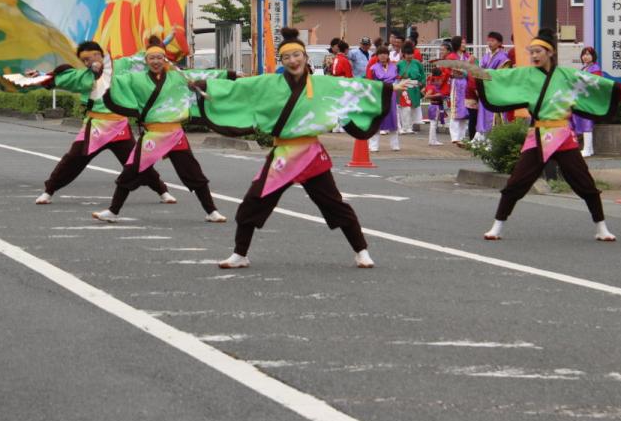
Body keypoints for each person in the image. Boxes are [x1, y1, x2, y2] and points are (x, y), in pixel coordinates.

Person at [196, 27, 393, 269]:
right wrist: (206, 86)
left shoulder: (322, 84)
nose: (293, 60)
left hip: (310, 154)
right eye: (287, 57)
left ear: (305, 57)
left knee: (334, 204)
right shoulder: (269, 83)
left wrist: (389, 89)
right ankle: (240, 254)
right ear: (282, 61)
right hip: (283, 155)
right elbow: (239, 89)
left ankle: (361, 251)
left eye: (297, 55)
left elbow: (352, 88)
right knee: (253, 202)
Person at [440, 28, 621, 242]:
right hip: (538, 134)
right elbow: (498, 77)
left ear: (550, 52)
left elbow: (595, 83)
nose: (534, 56)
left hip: (562, 135)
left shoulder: (567, 75)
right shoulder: (525, 74)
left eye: (538, 51)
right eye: (531, 52)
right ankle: (497, 226)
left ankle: (601, 228)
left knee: (584, 182)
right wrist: (470, 69)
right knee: (516, 182)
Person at [93, 37, 226, 223]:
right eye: (152, 58)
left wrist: (232, 75)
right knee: (130, 171)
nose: (156, 61)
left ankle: (212, 211)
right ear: (146, 61)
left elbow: (206, 75)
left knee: (192, 173)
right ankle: (113, 211)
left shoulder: (178, 77)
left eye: (159, 58)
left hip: (174, 134)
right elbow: (115, 81)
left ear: (165, 59)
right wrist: (100, 71)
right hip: (153, 134)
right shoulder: (136, 78)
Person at [31, 41, 172, 205]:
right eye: (85, 60)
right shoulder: (84, 76)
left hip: (119, 126)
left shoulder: (121, 66)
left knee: (138, 162)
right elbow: (60, 78)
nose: (89, 61)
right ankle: (49, 191)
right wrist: (40, 75)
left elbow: (144, 57)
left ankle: (162, 191)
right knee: (73, 159)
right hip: (95, 126)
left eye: (92, 57)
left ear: (100, 55)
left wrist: (159, 45)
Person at [474, 32, 510, 142]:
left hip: (495, 91)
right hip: (485, 90)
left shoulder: (503, 57)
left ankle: (494, 140)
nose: (489, 43)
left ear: (499, 43)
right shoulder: (486, 56)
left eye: (493, 41)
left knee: (494, 115)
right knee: (483, 114)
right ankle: (483, 138)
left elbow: (503, 75)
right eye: (489, 41)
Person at [366, 48, 404, 152]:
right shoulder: (373, 68)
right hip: (378, 94)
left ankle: (395, 144)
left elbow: (398, 79)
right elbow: (369, 82)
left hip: (391, 94)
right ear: (377, 56)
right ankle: (373, 145)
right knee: (377, 119)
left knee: (393, 118)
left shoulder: (394, 67)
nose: (383, 56)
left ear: (388, 55)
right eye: (380, 54)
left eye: (385, 54)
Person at [569, 46, 601, 157]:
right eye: (583, 54)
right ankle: (589, 149)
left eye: (588, 54)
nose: (585, 57)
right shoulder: (584, 68)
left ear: (593, 56)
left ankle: (587, 149)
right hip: (582, 100)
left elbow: (595, 84)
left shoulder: (595, 68)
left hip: (589, 100)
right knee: (582, 122)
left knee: (586, 122)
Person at [422, 41, 454, 147]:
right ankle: (433, 140)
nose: (441, 51)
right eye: (440, 50)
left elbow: (424, 91)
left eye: (442, 50)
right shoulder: (434, 85)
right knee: (435, 121)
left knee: (434, 121)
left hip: (438, 98)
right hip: (438, 98)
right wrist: (436, 94)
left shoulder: (431, 83)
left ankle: (433, 139)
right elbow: (426, 94)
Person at [396, 40, 425, 134]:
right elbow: (395, 75)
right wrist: (400, 77)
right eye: (408, 54)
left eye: (411, 54)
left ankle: (409, 127)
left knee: (413, 108)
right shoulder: (399, 64)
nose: (409, 56)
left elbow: (423, 75)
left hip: (415, 87)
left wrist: (422, 84)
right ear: (404, 54)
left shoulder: (417, 63)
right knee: (405, 108)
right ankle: (405, 126)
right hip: (404, 87)